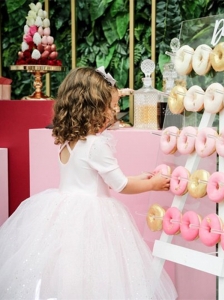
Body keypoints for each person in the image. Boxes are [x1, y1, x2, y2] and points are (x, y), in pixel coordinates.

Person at [0, 67, 177, 299]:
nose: (115, 113)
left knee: (71, 273)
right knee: (97, 272)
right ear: (92, 108)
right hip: (93, 218)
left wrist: (141, 178)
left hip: (65, 216)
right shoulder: (96, 144)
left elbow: (105, 180)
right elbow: (121, 185)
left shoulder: (68, 141)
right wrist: (153, 184)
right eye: (111, 106)